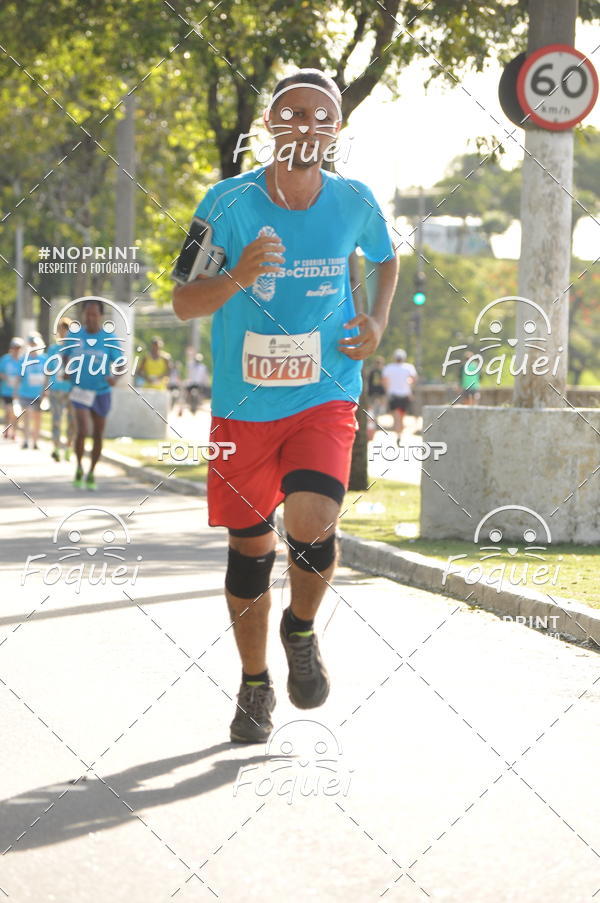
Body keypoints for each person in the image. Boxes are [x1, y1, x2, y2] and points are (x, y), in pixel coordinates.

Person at [173, 69, 398, 744]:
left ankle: (300, 627)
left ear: (337, 130)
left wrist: (378, 320)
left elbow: (386, 259)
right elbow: (185, 298)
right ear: (269, 125)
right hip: (243, 405)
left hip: (325, 393)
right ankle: (254, 682)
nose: (306, 125)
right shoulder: (227, 201)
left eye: (320, 116)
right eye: (292, 113)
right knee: (250, 551)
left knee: (311, 522)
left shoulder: (355, 200)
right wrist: (237, 275)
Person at [63, 298, 124, 490]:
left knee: (98, 433)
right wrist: (66, 369)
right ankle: (79, 466)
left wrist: (115, 378)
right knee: (83, 430)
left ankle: (91, 472)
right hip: (80, 390)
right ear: (83, 315)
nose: (90, 318)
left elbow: (121, 364)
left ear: (101, 316)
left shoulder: (109, 338)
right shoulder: (74, 336)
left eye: (94, 315)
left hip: (101, 392)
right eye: (87, 314)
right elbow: (64, 356)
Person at [47, 318, 75, 461]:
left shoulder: (75, 349)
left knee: (71, 421)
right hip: (56, 389)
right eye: (61, 329)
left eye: (66, 329)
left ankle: (69, 448)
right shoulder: (53, 349)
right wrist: (44, 388)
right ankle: (56, 448)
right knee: (56, 419)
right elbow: (47, 370)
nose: (64, 332)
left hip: (71, 390)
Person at [18, 333, 48, 449]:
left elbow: (47, 376)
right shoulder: (24, 359)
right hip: (25, 392)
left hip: (39, 393)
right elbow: (19, 376)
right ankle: (25, 440)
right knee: (26, 417)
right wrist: (16, 391)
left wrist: (46, 390)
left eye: (35, 344)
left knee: (37, 418)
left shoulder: (44, 359)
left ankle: (35, 441)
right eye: (31, 345)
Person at [382, 348, 417, 440]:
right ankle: (399, 433)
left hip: (393, 395)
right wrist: (409, 388)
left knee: (396, 416)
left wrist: (387, 391)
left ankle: (398, 433)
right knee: (402, 416)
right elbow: (413, 379)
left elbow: (385, 381)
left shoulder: (388, 368)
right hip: (405, 395)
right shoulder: (409, 367)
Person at [0, 337, 24, 440]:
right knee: (8, 411)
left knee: (16, 413)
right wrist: (5, 377)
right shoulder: (5, 359)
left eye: (18, 348)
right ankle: (7, 429)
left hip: (18, 392)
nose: (16, 350)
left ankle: (14, 431)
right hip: (6, 390)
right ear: (11, 348)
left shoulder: (23, 360)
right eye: (15, 347)